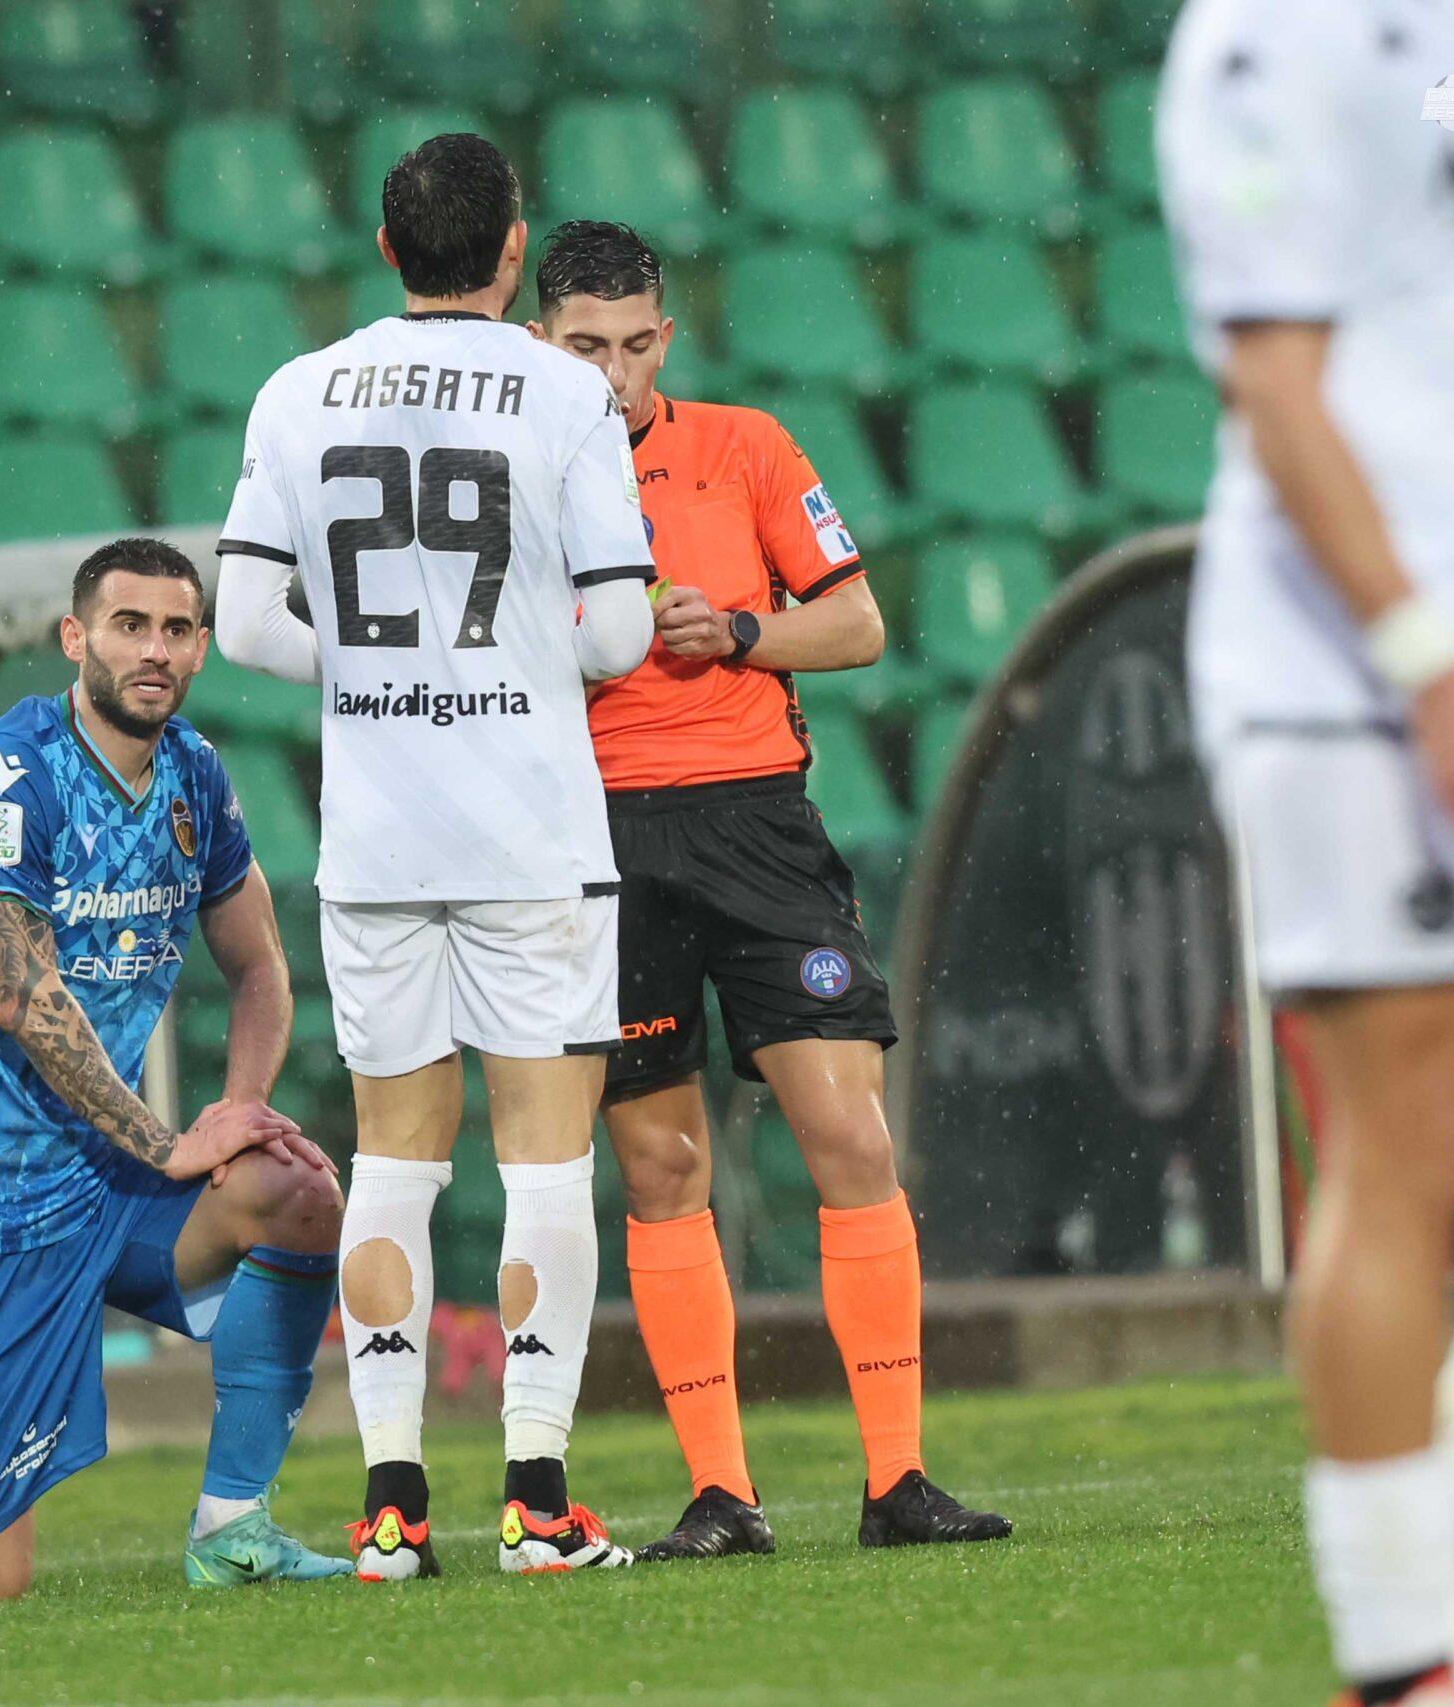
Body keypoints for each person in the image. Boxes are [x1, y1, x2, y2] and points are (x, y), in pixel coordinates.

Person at [1159, 4, 1454, 1702]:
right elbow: (1276, 383)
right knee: (1408, 1152)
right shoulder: (1267, 43)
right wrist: (1430, 673)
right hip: (1346, 675)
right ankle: (1403, 1652)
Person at [530, 219, 1013, 1560]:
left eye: (637, 345)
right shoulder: (509, 474)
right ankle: (721, 1492)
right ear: (537, 343)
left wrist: (740, 632)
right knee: (664, 1161)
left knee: (850, 1138)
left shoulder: (745, 446)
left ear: (666, 338)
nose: (616, 375)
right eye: (586, 348)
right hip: (597, 836)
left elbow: (855, 625)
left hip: (755, 826)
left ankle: (899, 1477)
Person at [212, 132, 656, 1579]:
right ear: (516, 250)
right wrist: (517, 663)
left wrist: (371, 676)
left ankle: (392, 1507)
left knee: (393, 1157)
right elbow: (625, 629)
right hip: (529, 823)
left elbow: (242, 624)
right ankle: (537, 1498)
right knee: (543, 1162)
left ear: (389, 248)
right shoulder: (567, 392)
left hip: (380, 830)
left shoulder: (298, 391)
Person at [0, 538, 350, 1609]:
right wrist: (171, 1141)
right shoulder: (5, 775)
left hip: (112, 1182)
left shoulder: (195, 775)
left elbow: (261, 968)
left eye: (178, 629)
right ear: (74, 639)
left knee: (297, 1194)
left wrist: (238, 1111)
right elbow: (21, 997)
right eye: (130, 625)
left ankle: (233, 1528)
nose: (157, 650)